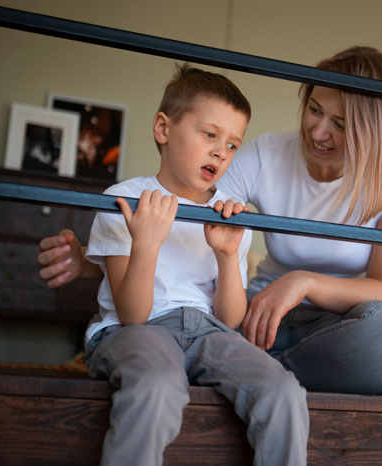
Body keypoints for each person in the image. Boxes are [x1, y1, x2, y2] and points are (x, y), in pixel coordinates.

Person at [38, 46, 382, 397]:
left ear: (375, 132)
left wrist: (303, 281)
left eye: (340, 124)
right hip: (257, 317)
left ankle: (244, 376)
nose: (317, 132)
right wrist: (93, 261)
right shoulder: (267, 153)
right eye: (315, 110)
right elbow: (179, 221)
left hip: (336, 330)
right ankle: (239, 373)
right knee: (205, 320)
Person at [74, 64, 308, 466]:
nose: (221, 151)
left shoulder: (228, 216)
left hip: (208, 332)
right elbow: (132, 315)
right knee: (157, 385)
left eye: (233, 144)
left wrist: (225, 253)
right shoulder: (125, 200)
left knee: (282, 390)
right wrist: (146, 244)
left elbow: (230, 318)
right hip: (138, 330)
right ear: (163, 129)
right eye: (210, 135)